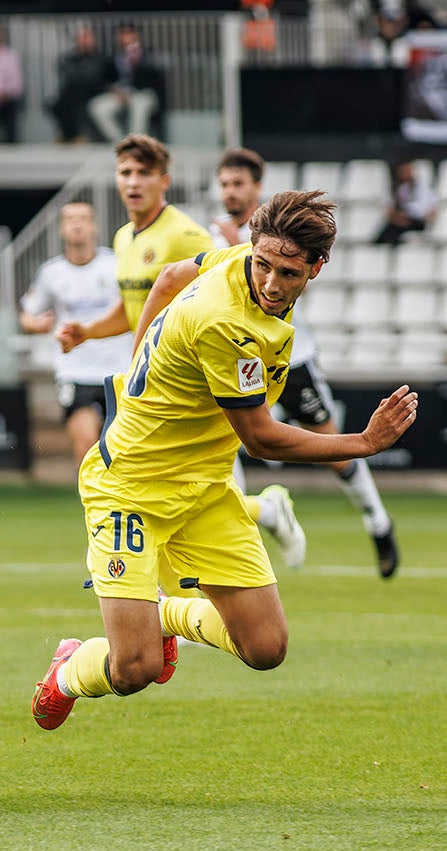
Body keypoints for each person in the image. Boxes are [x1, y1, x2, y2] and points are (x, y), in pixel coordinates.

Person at [32, 190, 418, 731]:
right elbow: (261, 440)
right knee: (133, 668)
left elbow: (168, 278)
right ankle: (68, 671)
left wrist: (136, 371)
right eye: (263, 265)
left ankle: (162, 615)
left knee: (266, 648)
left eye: (287, 272)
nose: (270, 282)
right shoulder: (227, 327)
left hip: (205, 489)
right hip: (130, 489)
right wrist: (364, 442)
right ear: (253, 252)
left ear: (316, 267)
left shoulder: (235, 257)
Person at [57, 134, 305, 567]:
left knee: (195, 494)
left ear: (163, 181)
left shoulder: (184, 234)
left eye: (143, 174)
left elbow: (235, 285)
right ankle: (258, 521)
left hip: (201, 380)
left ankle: (209, 593)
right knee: (185, 495)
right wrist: (88, 332)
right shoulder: (123, 239)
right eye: (125, 173)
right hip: (160, 378)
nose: (133, 182)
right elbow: (132, 307)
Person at [200, 148, 399, 576]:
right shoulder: (209, 236)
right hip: (235, 353)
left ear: (256, 186)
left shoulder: (285, 234)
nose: (231, 192)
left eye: (238, 183)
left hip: (291, 359)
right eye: (225, 184)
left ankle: (377, 521)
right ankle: (236, 550)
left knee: (334, 450)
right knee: (220, 448)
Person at [19, 201, 129, 465]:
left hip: (120, 369)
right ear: (61, 229)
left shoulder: (116, 265)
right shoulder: (51, 273)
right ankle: (96, 507)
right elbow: (26, 314)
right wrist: (35, 324)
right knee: (86, 450)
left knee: (125, 452)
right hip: (75, 370)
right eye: (70, 219)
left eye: (83, 218)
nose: (76, 224)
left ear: (94, 226)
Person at [88, 23, 163, 143]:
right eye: (122, 34)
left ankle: (136, 142)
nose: (125, 37)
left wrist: (135, 62)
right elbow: (106, 80)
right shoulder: (114, 57)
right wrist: (115, 90)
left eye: (128, 34)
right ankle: (119, 141)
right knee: (98, 107)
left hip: (143, 93)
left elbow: (152, 79)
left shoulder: (148, 55)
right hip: (121, 95)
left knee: (140, 106)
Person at [46, 24, 107, 144]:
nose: (85, 40)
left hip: (95, 91)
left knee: (75, 99)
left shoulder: (101, 57)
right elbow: (65, 71)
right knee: (58, 104)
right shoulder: (71, 57)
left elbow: (97, 77)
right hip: (74, 92)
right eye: (82, 37)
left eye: (88, 37)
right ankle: (68, 135)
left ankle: (76, 135)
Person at [374, 159, 438, 245]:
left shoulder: (424, 188)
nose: (405, 173)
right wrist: (399, 218)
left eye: (407, 170)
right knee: (390, 230)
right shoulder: (396, 189)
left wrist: (423, 219)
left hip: (418, 221)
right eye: (402, 171)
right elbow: (390, 211)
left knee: (393, 231)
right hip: (402, 220)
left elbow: (432, 210)